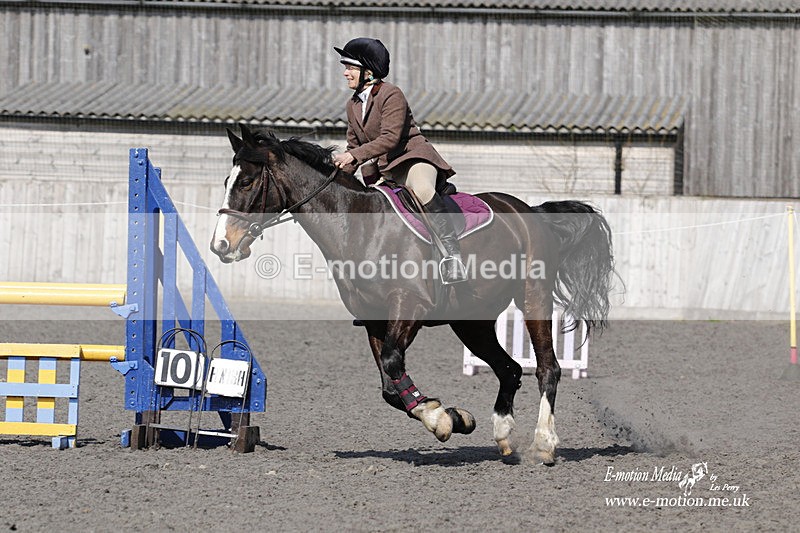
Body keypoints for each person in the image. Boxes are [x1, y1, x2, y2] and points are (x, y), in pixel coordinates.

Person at [332, 37, 467, 284]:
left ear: (368, 71)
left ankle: (452, 255)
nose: (345, 73)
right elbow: (354, 146)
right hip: (386, 170)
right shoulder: (352, 105)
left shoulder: (391, 94)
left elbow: (390, 138)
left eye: (350, 67)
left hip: (412, 159)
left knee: (423, 190)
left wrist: (354, 155)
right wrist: (337, 172)